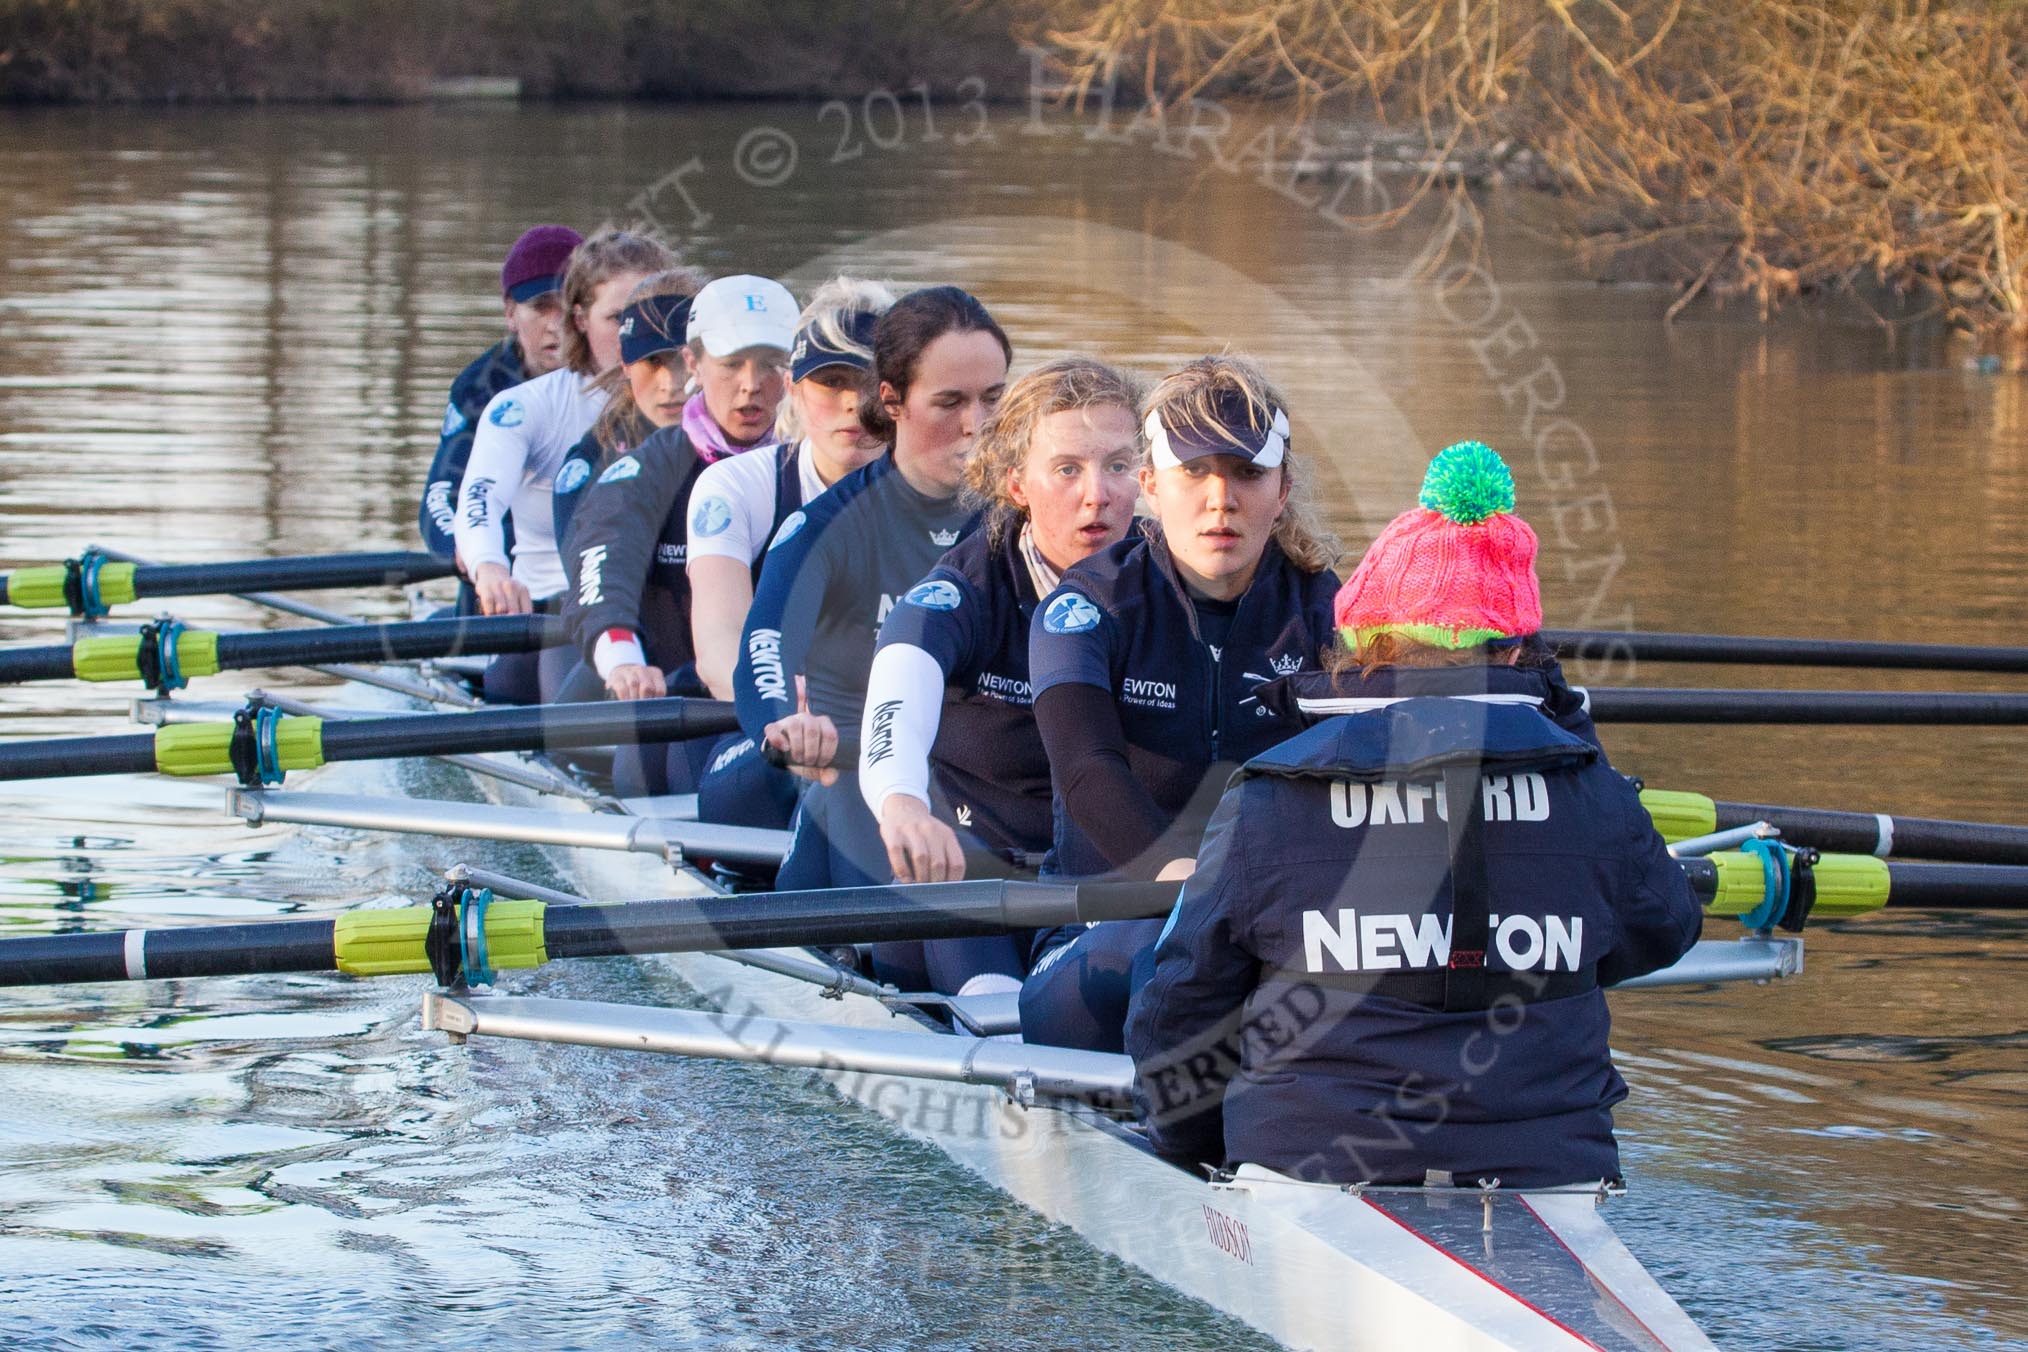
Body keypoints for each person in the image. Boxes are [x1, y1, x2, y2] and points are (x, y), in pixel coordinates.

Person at [1125, 440, 1704, 1188]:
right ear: (1522, 649)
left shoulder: (1272, 793)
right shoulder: (1591, 790)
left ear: (1361, 642)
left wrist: (1190, 1148)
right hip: (1551, 1170)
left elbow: (1181, 1003)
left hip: (1311, 1161)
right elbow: (1665, 930)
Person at [1018, 354, 1341, 1052]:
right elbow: (1085, 771)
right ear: (1149, 488)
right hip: (1099, 935)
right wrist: (1184, 882)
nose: (1221, 499)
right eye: (1194, 472)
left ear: (1282, 489)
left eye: (1247, 474)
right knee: (1176, 957)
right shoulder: (1086, 609)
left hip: (1276, 932)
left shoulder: (1328, 615)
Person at [855, 356, 1143, 994]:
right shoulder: (964, 592)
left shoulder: (1173, 577)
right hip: (976, 879)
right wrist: (902, 805)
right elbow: (898, 692)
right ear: (1016, 483)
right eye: (1067, 469)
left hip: (1114, 887)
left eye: (1118, 466)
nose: (1097, 494)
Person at [733, 286, 1009, 904]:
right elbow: (766, 643)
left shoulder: (1027, 521)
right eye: (950, 402)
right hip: (854, 774)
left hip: (982, 785)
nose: (979, 425)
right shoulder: (829, 527)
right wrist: (785, 723)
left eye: (994, 398)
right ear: (891, 401)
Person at [560, 274, 798, 796]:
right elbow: (602, 563)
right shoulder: (644, 472)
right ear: (693, 363)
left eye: (771, 364)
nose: (751, 384)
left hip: (801, 712)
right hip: (676, 708)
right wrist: (623, 659)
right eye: (732, 363)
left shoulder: (822, 468)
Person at [682, 277, 894, 828]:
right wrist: (786, 713)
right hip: (774, 729)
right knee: (748, 796)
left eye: (871, 382)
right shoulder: (738, 487)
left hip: (891, 734)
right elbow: (720, 644)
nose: (854, 403)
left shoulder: (951, 502)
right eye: (832, 382)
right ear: (794, 391)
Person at [452, 228, 677, 703]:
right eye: (619, 318)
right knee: (519, 686)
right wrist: (490, 569)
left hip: (671, 602)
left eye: (653, 318)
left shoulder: (705, 408)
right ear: (580, 320)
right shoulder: (527, 408)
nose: (638, 335)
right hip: (555, 604)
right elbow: (479, 500)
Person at [418, 223, 582, 616]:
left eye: (567, 306)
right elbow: (441, 498)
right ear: (511, 313)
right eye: (542, 307)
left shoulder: (626, 380)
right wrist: (474, 552)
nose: (556, 323)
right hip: (503, 589)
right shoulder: (480, 388)